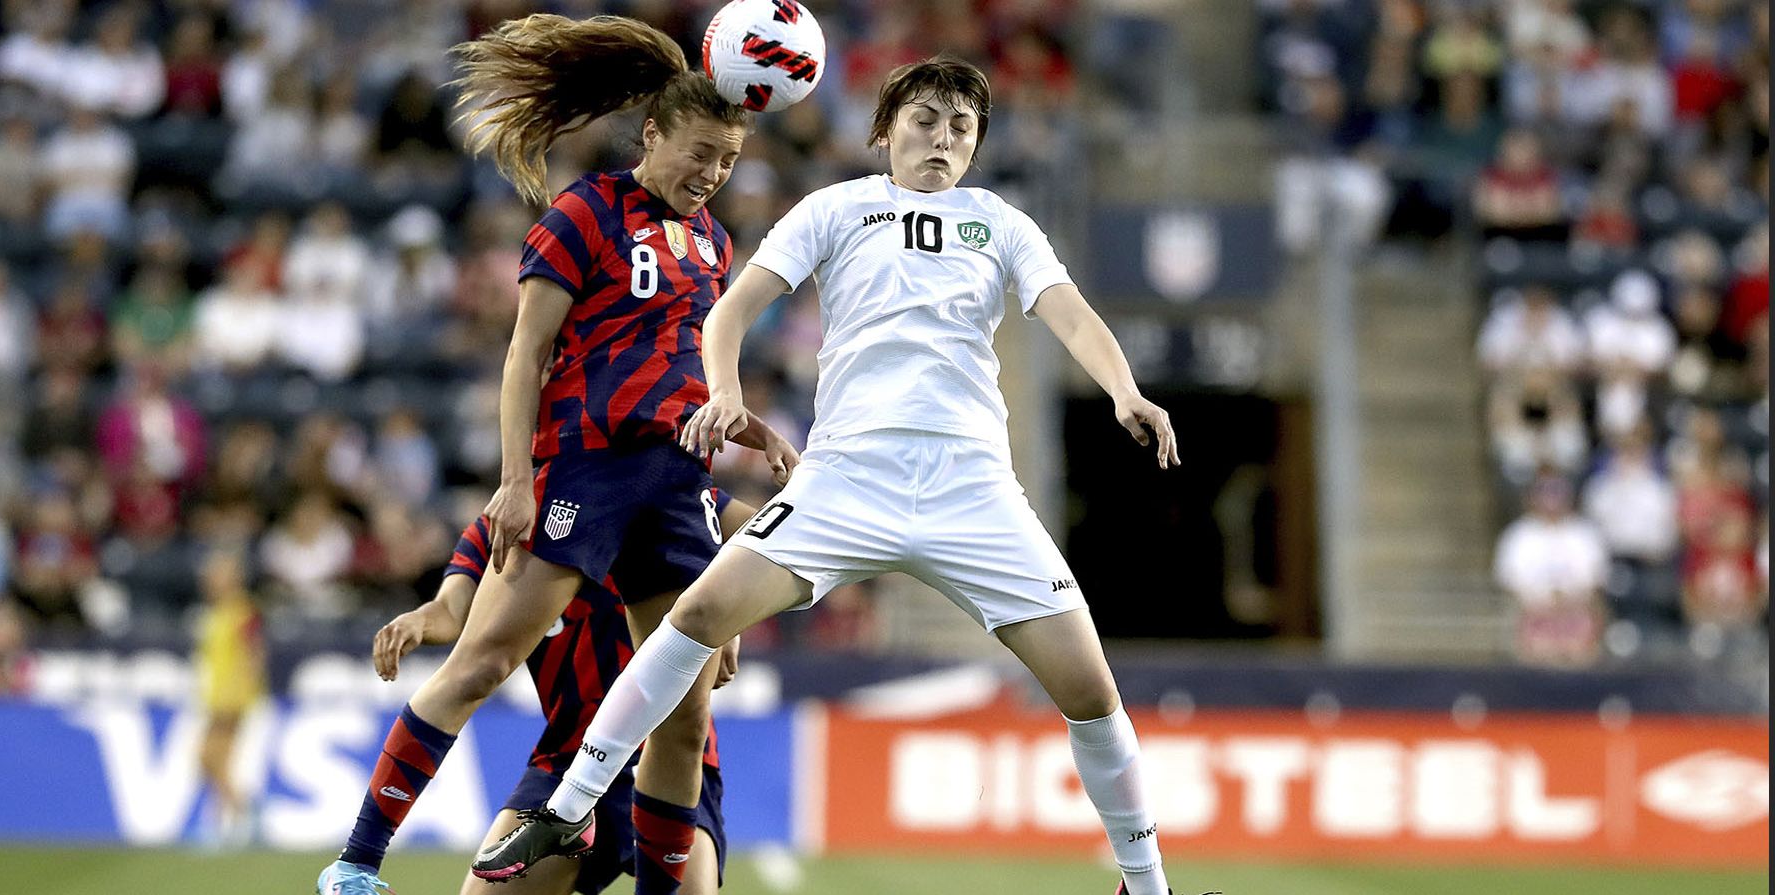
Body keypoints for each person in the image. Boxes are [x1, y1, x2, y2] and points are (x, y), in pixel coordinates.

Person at [482, 56, 1192, 895]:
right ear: (885, 130)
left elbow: (1070, 312)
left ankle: (1146, 886)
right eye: (926, 121)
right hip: (847, 477)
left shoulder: (999, 223)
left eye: (961, 129)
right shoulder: (835, 208)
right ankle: (568, 805)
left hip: (971, 487)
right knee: (701, 611)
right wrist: (725, 390)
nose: (943, 140)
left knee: (1090, 688)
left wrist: (1124, 389)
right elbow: (730, 311)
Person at [315, 14, 799, 895]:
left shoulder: (716, 246)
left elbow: (681, 369)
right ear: (651, 133)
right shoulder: (587, 211)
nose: (710, 175)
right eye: (698, 152)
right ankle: (356, 862)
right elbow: (525, 354)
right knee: (488, 656)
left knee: (684, 714)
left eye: (726, 162)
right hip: (587, 467)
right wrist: (513, 480)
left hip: (676, 480)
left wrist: (745, 422)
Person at [370, 491, 762, 895]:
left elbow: (771, 535)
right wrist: (420, 620)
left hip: (664, 757)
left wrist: (728, 614)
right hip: (566, 761)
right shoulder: (504, 526)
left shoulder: (664, 493)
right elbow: (451, 610)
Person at [193, 549, 266, 847]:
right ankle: (230, 820)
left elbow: (254, 653)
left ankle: (243, 815)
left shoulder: (241, 611)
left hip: (231, 699)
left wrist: (241, 691)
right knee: (215, 761)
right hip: (217, 697)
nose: (210, 580)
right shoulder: (218, 611)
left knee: (209, 758)